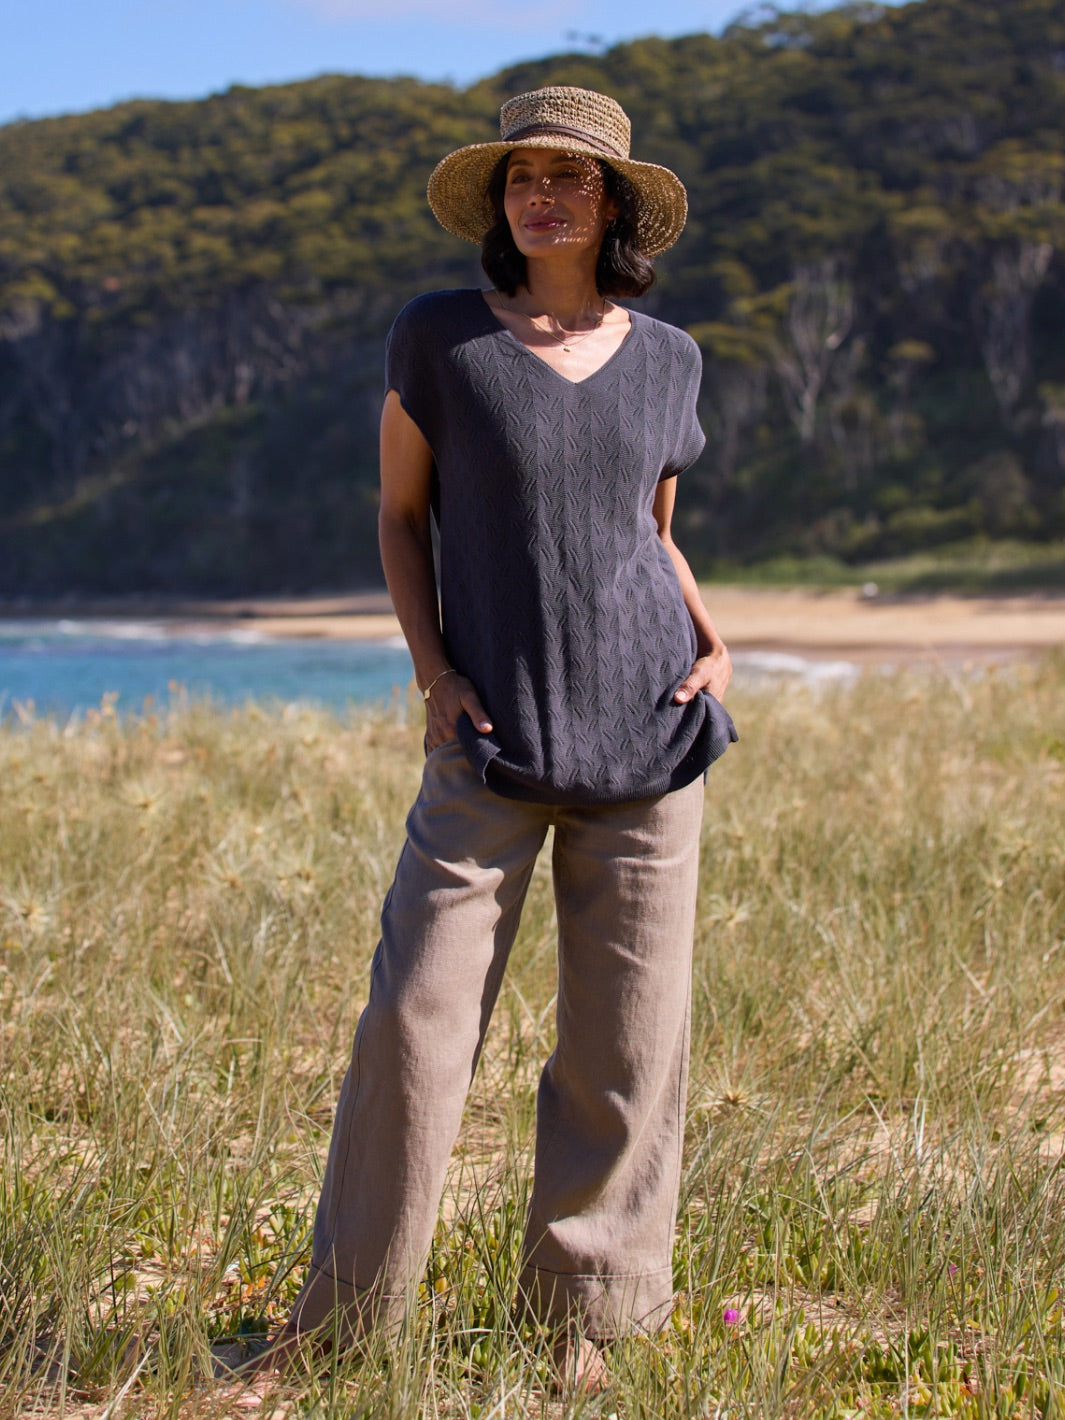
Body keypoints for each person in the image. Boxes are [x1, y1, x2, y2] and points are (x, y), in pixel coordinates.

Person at [253, 84, 736, 1395]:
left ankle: (586, 1326)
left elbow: (651, 529)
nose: (543, 195)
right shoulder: (440, 341)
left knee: (624, 1047)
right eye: (524, 176)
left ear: (612, 205)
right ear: (501, 201)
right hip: (488, 736)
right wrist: (433, 674)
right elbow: (400, 519)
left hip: (651, 734)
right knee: (412, 1025)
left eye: (571, 179)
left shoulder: (671, 359)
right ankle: (336, 1332)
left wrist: (710, 635)